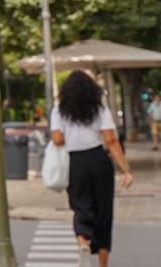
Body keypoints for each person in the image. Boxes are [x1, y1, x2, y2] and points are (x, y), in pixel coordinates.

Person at [50, 71, 133, 267]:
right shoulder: (100, 110)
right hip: (99, 160)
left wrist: (71, 135)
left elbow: (57, 139)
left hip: (75, 162)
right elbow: (110, 140)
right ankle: (103, 265)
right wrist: (125, 170)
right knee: (104, 213)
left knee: (80, 206)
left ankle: (82, 242)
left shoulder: (58, 111)